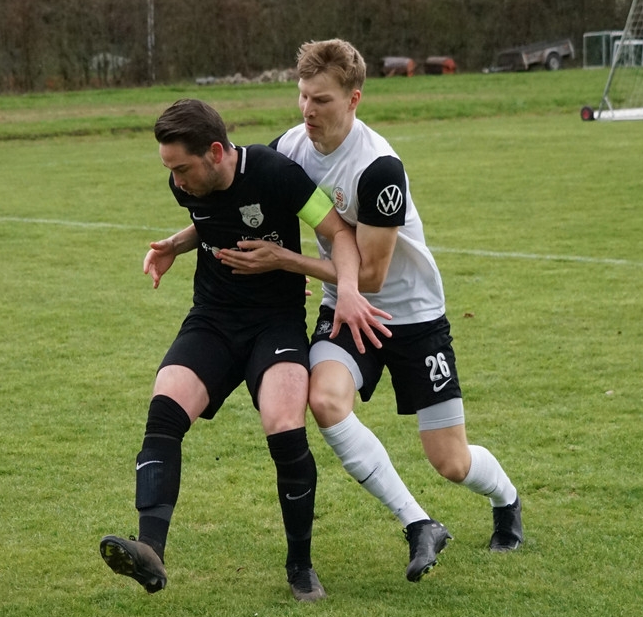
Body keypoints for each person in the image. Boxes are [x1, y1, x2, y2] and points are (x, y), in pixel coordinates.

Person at [217, 39, 524, 567]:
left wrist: (286, 261)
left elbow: (373, 276)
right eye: (303, 96)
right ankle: (419, 523)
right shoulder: (289, 147)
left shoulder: (378, 168)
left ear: (353, 99)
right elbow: (242, 200)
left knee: (450, 461)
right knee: (325, 400)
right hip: (343, 308)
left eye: (322, 100)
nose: (308, 110)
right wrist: (181, 241)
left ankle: (506, 500)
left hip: (413, 316)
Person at [99, 98, 391, 602]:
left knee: (284, 422)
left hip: (275, 324)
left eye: (183, 168)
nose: (176, 181)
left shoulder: (276, 173)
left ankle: (300, 567)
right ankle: (149, 550)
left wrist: (346, 288)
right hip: (212, 320)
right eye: (170, 170)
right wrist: (176, 245)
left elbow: (338, 233)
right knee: (165, 407)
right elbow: (216, 218)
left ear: (215, 152)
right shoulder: (185, 184)